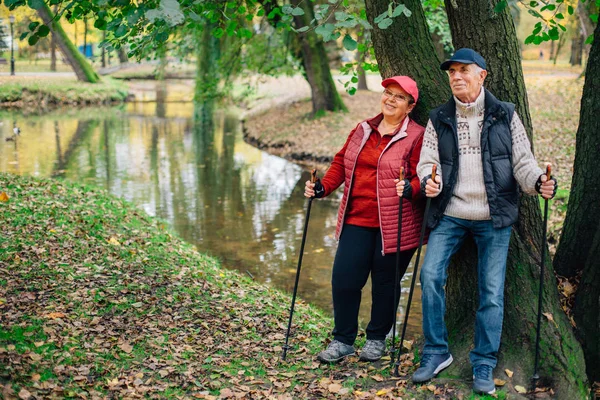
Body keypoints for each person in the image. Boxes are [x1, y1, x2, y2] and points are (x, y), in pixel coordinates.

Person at [412, 48, 557, 394]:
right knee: (430, 275)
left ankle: (483, 362)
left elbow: (522, 163)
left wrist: (538, 182)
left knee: (491, 292)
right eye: (452, 72)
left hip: (494, 216)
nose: (457, 77)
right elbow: (426, 161)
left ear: (482, 75)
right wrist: (428, 180)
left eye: (464, 70)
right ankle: (435, 352)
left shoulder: (505, 114)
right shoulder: (439, 117)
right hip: (451, 214)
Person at [304, 76, 427, 363]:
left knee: (385, 284)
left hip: (395, 223)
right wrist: (323, 188)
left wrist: (412, 188)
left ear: (410, 106)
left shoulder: (417, 135)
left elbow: (425, 175)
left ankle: (376, 339)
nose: (390, 99)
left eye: (399, 97)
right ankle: (343, 340)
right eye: (388, 93)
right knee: (345, 280)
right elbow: (341, 163)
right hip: (357, 218)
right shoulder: (362, 129)